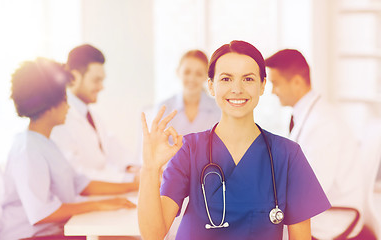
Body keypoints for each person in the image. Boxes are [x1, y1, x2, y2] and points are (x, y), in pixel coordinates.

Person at [138, 40, 331, 239]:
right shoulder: (189, 150)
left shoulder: (288, 155)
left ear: (262, 85)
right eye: (226, 79)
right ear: (211, 86)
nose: (237, 89)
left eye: (248, 79)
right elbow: (153, 234)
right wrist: (150, 169)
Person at [0, 58, 138, 240]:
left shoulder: (47, 143)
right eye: (65, 99)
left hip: (52, 231)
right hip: (30, 237)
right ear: (48, 107)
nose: (68, 106)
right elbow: (42, 213)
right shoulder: (27, 149)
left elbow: (82, 184)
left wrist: (135, 186)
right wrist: (100, 205)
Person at [266, 49, 364, 239]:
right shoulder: (308, 116)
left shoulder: (322, 123)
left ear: (296, 82)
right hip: (323, 210)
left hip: (334, 218)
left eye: (275, 84)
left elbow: (311, 189)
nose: (272, 91)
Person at [154, 50, 220, 240]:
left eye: (199, 73)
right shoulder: (163, 108)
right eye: (187, 72)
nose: (192, 78)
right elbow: (154, 154)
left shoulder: (217, 109)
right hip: (170, 188)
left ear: (207, 78)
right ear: (178, 72)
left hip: (208, 190)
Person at [51, 44, 136, 180]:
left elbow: (113, 151)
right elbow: (76, 176)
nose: (101, 87)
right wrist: (129, 179)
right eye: (96, 80)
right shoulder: (59, 119)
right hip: (85, 198)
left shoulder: (93, 117)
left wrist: (132, 169)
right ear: (74, 77)